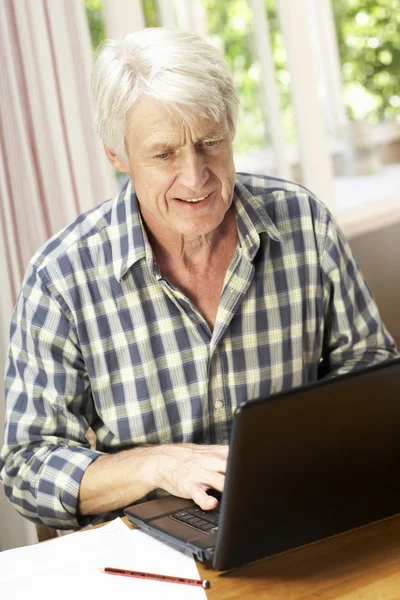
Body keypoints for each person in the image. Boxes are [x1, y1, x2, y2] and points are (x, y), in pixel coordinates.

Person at [1, 28, 398, 531]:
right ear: (116, 154)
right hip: (143, 553)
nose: (195, 177)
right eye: (164, 154)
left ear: (231, 129)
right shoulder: (61, 277)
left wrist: (311, 451)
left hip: (296, 518)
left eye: (210, 143)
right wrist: (158, 465)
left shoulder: (305, 224)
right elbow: (28, 466)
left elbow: (372, 371)